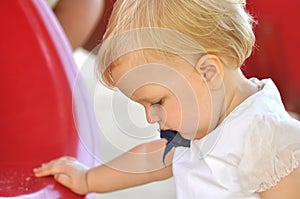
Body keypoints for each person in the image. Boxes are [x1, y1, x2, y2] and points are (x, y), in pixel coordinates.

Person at [34, 0, 300, 198]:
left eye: (157, 102)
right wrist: (88, 179)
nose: (150, 117)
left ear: (208, 72)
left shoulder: (266, 138)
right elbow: (150, 160)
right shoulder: (202, 123)